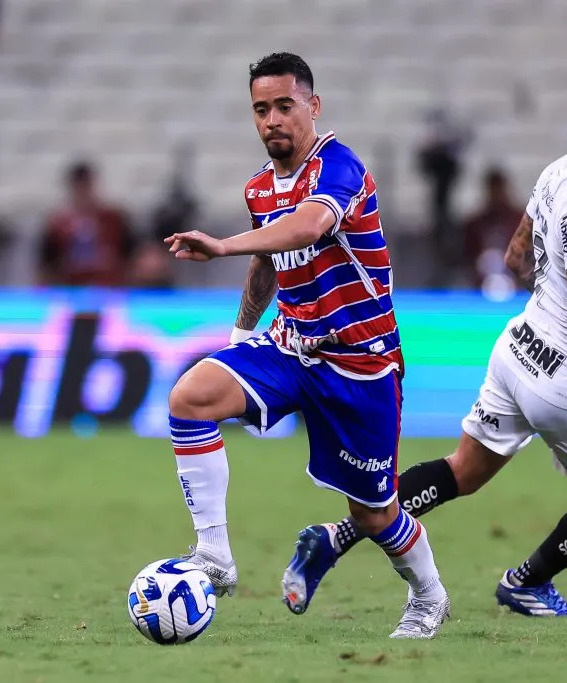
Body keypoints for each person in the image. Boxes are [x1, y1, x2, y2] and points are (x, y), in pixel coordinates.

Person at [282, 79, 567, 617]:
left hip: (519, 350)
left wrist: (550, 309)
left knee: (463, 470)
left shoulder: (555, 172)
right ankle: (527, 581)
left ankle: (334, 538)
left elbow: (518, 260)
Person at [161, 52, 450, 639]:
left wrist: (220, 246)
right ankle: (213, 554)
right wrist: (243, 334)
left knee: (374, 514)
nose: (272, 120)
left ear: (312, 107)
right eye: (261, 109)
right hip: (291, 347)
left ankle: (429, 595)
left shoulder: (339, 167)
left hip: (361, 363)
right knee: (190, 397)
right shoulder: (260, 188)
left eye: (284, 106)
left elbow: (309, 227)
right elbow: (271, 257)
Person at [37, 161, 135, 287]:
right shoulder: (57, 225)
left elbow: (130, 257)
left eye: (86, 186)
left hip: (109, 288)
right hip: (70, 289)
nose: (83, 192)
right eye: (79, 187)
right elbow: (46, 266)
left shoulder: (114, 220)